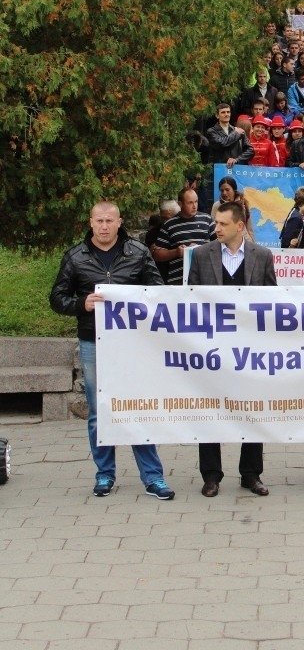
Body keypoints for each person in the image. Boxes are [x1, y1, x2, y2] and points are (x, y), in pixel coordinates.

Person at [50, 201, 175, 500]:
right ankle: (104, 474)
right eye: (99, 221)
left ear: (119, 222)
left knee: (137, 407)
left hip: (132, 344)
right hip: (93, 342)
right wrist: (81, 304)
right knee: (98, 411)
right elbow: (57, 297)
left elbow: (157, 292)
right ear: (91, 222)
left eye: (109, 220)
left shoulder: (138, 252)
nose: (104, 226)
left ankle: (153, 476)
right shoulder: (75, 256)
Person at [188, 202, 276, 497]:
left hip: (251, 349)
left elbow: (272, 302)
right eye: (216, 223)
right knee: (210, 408)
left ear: (239, 226)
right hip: (212, 348)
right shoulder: (202, 255)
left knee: (251, 409)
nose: (217, 228)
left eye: (223, 224)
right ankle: (211, 475)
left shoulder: (262, 256)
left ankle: (251, 473)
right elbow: (190, 300)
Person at [152, 188, 215, 285]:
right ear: (180, 204)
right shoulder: (169, 225)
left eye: (196, 201)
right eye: (190, 203)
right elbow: (157, 254)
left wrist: (201, 249)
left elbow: (220, 246)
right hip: (179, 281)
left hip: (205, 278)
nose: (194, 206)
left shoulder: (207, 219)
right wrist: (176, 252)